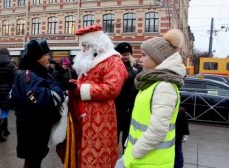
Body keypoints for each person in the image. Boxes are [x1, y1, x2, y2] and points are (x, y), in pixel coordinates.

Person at [119, 29, 186, 168]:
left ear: (157, 59)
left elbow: (158, 131)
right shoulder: (153, 83)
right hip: (141, 159)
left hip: (150, 161)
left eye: (144, 55)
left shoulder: (164, 87)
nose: (141, 59)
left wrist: (134, 153)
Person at [68, 25, 128, 168]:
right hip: (83, 116)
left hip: (101, 118)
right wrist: (74, 84)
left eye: (85, 45)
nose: (82, 49)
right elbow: (90, 82)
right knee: (81, 151)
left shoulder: (113, 61)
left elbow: (112, 88)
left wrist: (80, 88)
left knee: (98, 155)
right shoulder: (91, 60)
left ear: (96, 44)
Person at [11, 40, 66, 168]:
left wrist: (60, 86)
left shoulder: (32, 73)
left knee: (34, 161)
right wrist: (57, 91)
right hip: (33, 129)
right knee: (33, 161)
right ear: (37, 58)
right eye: (46, 54)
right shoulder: (29, 75)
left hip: (33, 128)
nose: (49, 57)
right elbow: (37, 99)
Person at [114, 42, 141, 150]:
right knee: (115, 132)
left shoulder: (135, 66)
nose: (125, 57)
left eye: (127, 54)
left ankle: (126, 156)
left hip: (131, 105)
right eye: (123, 54)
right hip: (117, 104)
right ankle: (112, 157)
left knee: (128, 133)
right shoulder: (115, 66)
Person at [0, 48, 15, 142]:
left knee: (3, 109)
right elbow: (13, 79)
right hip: (7, 91)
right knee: (5, 111)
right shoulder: (11, 65)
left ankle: (5, 130)